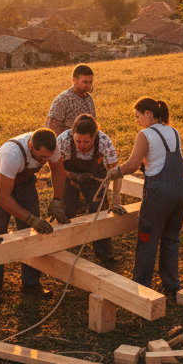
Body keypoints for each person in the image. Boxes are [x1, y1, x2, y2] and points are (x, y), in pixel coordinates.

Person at [103, 97, 183, 296]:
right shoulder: (173, 131)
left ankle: (141, 288)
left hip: (159, 193)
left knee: (147, 238)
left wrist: (116, 171)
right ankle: (172, 284)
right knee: (171, 237)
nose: (137, 121)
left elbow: (132, 166)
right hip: (180, 190)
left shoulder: (145, 134)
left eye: (138, 116)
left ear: (148, 114)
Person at [0, 128, 70, 304]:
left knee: (32, 234)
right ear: (30, 145)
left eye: (47, 157)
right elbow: (2, 198)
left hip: (24, 183)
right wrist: (30, 218)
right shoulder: (12, 154)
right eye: (41, 158)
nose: (44, 161)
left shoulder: (51, 146)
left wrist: (57, 200)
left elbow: (58, 171)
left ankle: (31, 283)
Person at [55, 113, 128, 267]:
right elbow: (56, 169)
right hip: (69, 176)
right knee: (67, 211)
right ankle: (60, 250)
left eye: (86, 141)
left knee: (99, 213)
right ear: (72, 135)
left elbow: (116, 172)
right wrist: (73, 176)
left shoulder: (103, 141)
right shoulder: (63, 140)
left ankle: (105, 257)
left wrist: (116, 201)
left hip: (95, 176)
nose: (81, 145)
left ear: (94, 136)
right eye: (78, 141)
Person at [46, 64, 95, 134]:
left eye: (90, 82)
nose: (88, 86)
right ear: (74, 80)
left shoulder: (89, 99)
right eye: (85, 82)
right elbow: (51, 128)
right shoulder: (63, 99)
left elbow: (93, 125)